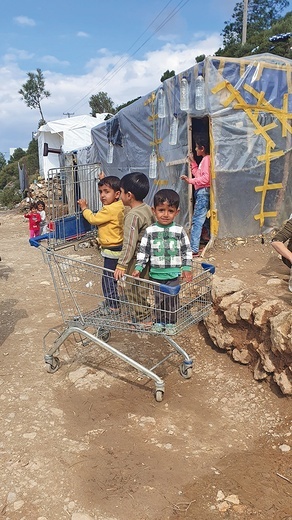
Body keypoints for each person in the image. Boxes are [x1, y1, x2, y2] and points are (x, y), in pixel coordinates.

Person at [132, 189, 192, 335]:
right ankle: (159, 321)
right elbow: (144, 251)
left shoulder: (179, 230)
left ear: (176, 212)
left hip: (173, 275)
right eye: (161, 210)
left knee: (172, 302)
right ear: (154, 210)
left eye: (170, 211)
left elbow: (186, 250)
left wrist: (187, 268)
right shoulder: (150, 231)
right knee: (158, 300)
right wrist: (139, 267)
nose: (165, 214)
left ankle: (171, 323)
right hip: (156, 275)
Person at [77, 176, 124, 314]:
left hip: (111, 249)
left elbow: (93, 219)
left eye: (106, 191)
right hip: (118, 246)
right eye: (100, 192)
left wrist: (85, 208)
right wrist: (106, 179)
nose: (102, 195)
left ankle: (113, 306)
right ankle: (112, 300)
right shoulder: (119, 205)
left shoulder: (109, 210)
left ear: (117, 194)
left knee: (108, 279)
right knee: (112, 278)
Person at [114, 172, 154, 327]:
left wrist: (122, 264)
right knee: (142, 287)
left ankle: (144, 318)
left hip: (137, 258)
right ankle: (143, 316)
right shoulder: (147, 209)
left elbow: (130, 242)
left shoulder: (133, 215)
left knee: (133, 288)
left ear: (129, 195)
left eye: (121, 192)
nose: (119, 196)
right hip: (148, 256)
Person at [181, 137, 210, 257]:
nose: (195, 149)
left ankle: (193, 249)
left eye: (196, 147)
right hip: (202, 192)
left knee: (197, 221)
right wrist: (193, 163)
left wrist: (190, 181)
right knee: (203, 219)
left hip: (203, 192)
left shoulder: (207, 159)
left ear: (202, 148)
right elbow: (199, 175)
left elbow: (206, 179)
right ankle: (206, 239)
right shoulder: (204, 160)